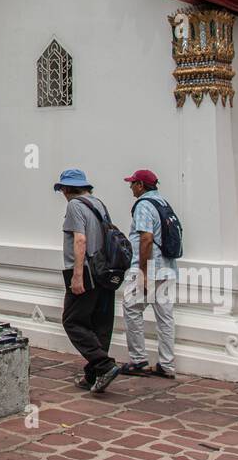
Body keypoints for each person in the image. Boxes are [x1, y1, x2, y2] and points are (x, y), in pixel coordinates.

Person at [55, 168, 121, 393]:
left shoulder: (74, 205)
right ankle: (94, 375)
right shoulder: (98, 203)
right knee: (99, 323)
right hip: (104, 270)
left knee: (72, 320)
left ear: (66, 189)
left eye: (63, 189)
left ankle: (103, 365)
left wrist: (77, 275)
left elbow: (80, 240)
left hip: (85, 270)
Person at [119, 169, 178, 378]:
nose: (130, 187)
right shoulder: (163, 203)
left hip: (149, 268)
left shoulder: (144, 205)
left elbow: (146, 238)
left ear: (141, 186)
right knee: (165, 317)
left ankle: (138, 360)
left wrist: (143, 272)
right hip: (167, 268)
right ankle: (167, 364)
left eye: (132, 183)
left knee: (131, 309)